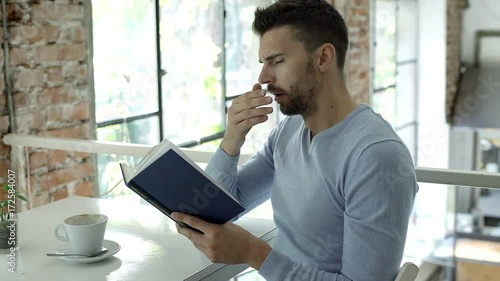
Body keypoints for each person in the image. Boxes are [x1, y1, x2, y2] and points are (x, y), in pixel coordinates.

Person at [171, 0, 419, 280]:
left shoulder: (376, 157)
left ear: (323, 58)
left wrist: (255, 254)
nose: (263, 78)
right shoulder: (288, 132)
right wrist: (232, 140)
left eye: (277, 61)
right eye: (264, 64)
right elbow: (222, 208)